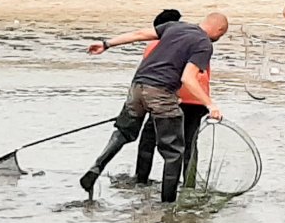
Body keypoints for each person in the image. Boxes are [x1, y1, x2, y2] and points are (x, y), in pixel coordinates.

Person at [79, 13, 228, 203]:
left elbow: (139, 33)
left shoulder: (174, 27)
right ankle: (168, 206)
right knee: (174, 151)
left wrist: (106, 44)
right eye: (220, 36)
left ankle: (95, 169)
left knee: (125, 133)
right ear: (219, 30)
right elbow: (187, 79)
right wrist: (210, 104)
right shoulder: (203, 43)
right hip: (161, 92)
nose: (218, 39)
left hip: (137, 86)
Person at [135, 9, 211, 188]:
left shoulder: (155, 45)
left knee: (149, 139)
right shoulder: (198, 40)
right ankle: (188, 185)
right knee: (189, 144)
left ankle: (141, 181)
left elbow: (150, 79)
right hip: (197, 100)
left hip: (167, 98)